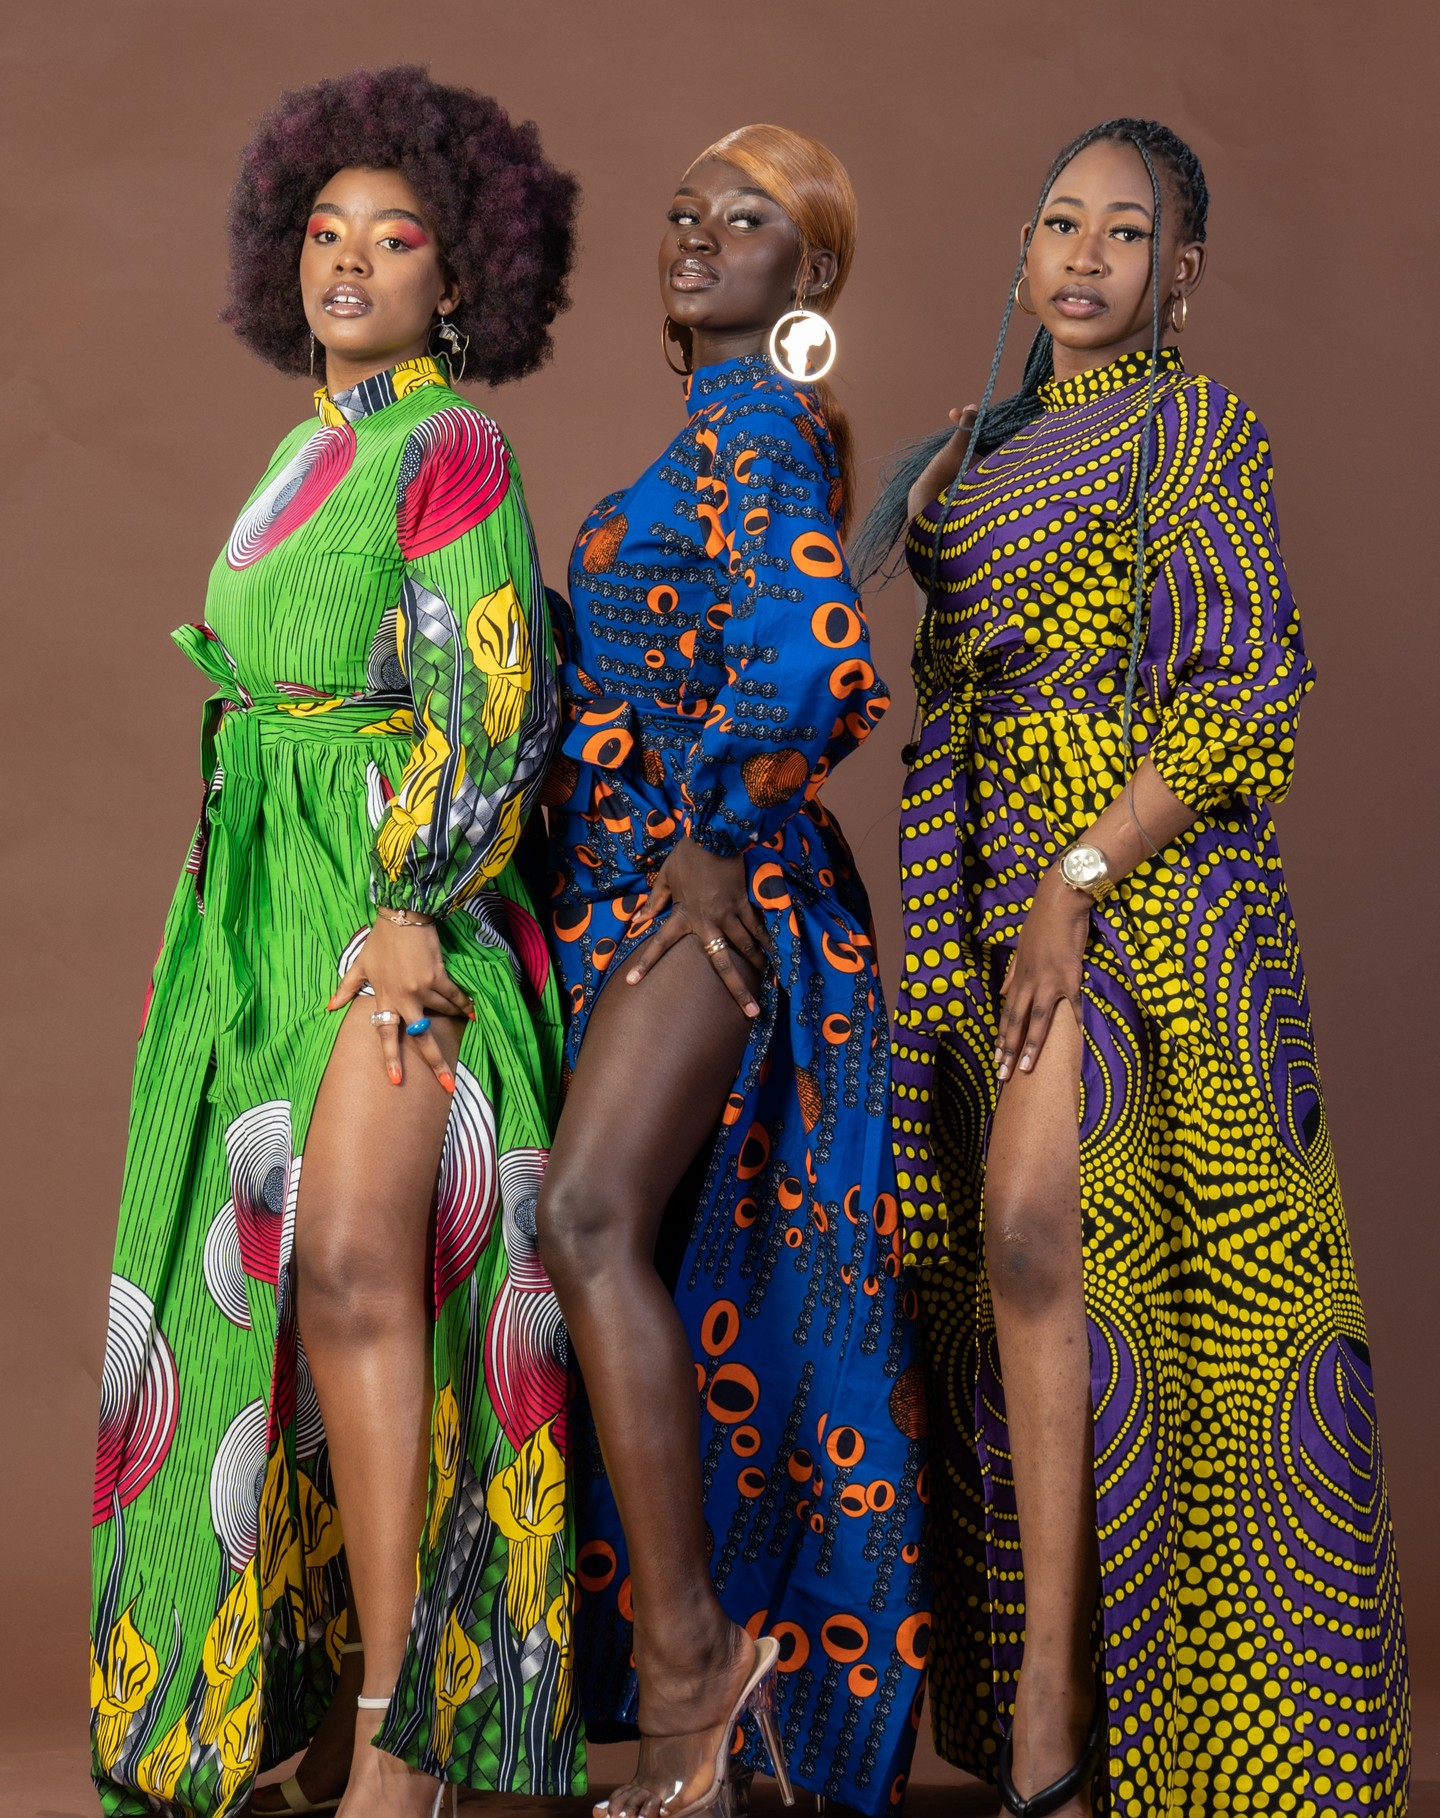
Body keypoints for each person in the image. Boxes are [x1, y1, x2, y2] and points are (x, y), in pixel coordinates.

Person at [853, 118, 1409, 1816]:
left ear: (1184, 274)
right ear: (1022, 256)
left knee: (1056, 1231)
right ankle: (1060, 1685)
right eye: (1059, 222)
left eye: (1127, 230)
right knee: (1015, 1266)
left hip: (1138, 886)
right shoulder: (973, 452)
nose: (1085, 254)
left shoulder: (1194, 425)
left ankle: (1061, 1703)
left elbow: (1248, 687)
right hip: (977, 875)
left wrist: (1078, 878)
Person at [88, 68, 579, 1818]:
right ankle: (300, 1691)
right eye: (324, 232)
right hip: (256, 912)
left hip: (393, 913)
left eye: (397, 237)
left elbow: (496, 693)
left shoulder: (454, 445)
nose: (351, 261)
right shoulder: (308, 446)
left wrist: (408, 905)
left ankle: (402, 1725)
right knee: (277, 1311)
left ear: (464, 276)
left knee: (368, 1270)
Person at [536, 126, 928, 1818]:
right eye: (683, 211)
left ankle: (696, 1660)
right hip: (656, 878)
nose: (697, 236)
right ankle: (707, 1692)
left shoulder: (753, 422)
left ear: (810, 270)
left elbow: (819, 659)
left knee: (587, 1218)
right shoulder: (726, 425)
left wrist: (709, 828)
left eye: (745, 218)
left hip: (724, 883)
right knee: (691, 1265)